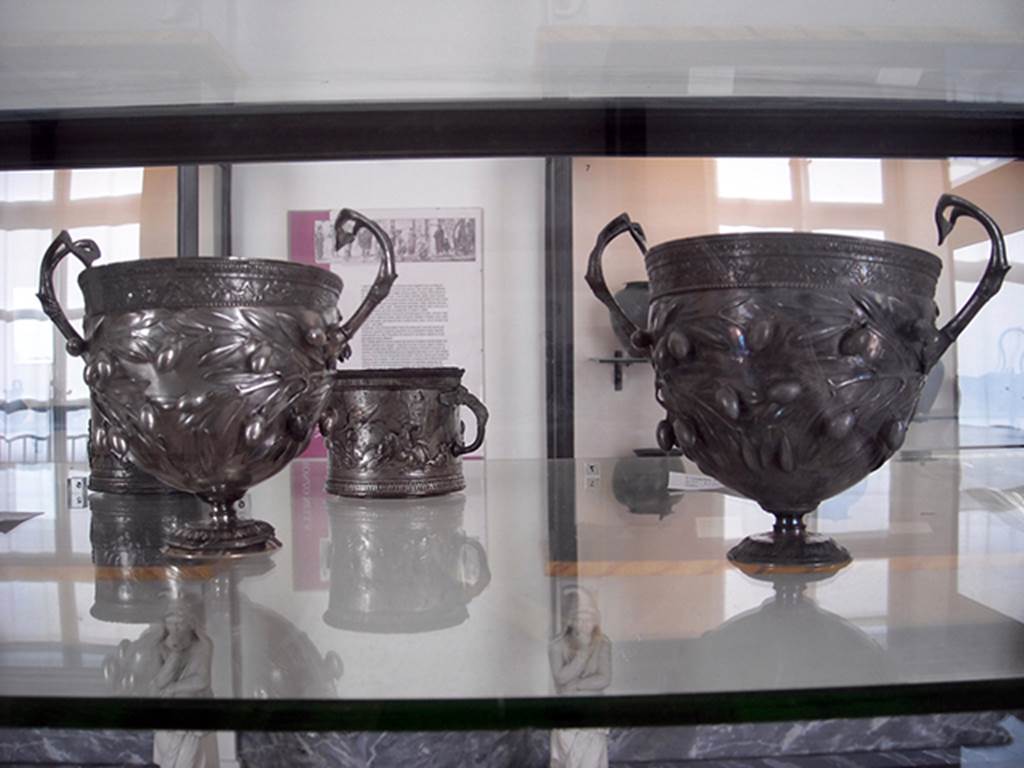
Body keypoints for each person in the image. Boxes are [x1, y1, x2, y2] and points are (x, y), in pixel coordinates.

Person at [549, 587, 612, 768]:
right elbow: (561, 678)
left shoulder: (603, 644)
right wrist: (582, 654)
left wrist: (576, 685)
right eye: (580, 618)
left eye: (590, 618)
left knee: (592, 761)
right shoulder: (557, 645)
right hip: (567, 717)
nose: (586, 623)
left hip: (593, 717)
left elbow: (604, 678)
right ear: (570, 620)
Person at [149, 603, 217, 768]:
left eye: (180, 622)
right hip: (167, 713)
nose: (175, 627)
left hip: (194, 712)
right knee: (171, 756)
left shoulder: (203, 644)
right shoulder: (159, 646)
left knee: (186, 760)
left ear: (191, 623)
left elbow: (202, 681)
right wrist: (175, 654)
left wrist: (173, 689)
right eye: (170, 622)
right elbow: (159, 682)